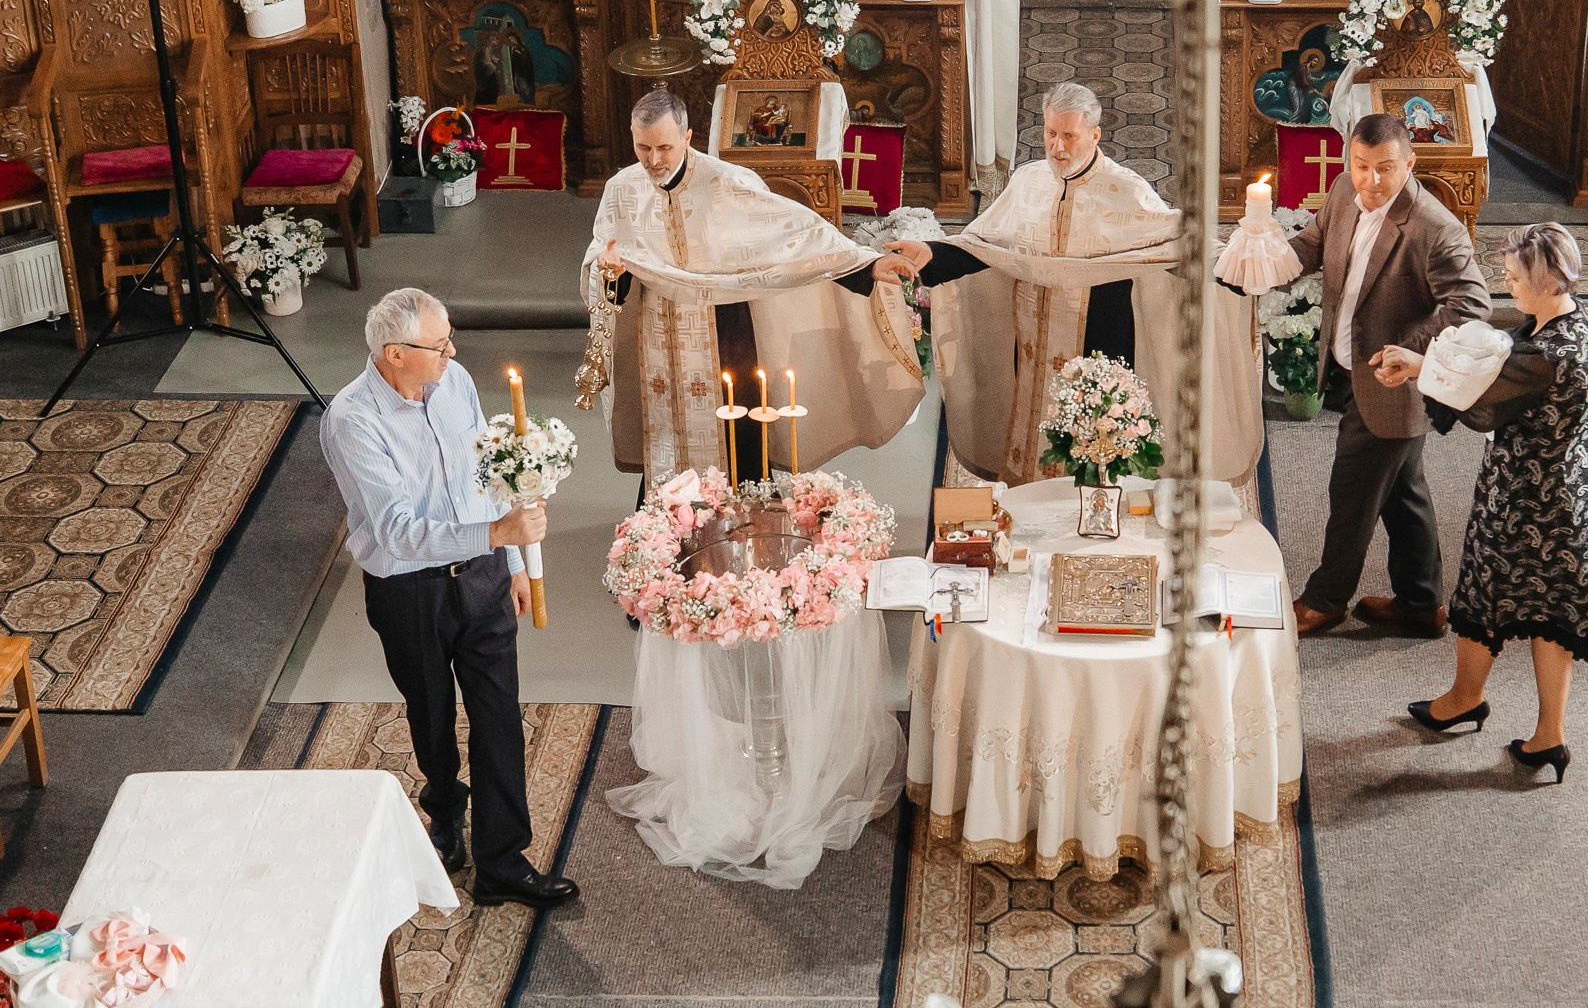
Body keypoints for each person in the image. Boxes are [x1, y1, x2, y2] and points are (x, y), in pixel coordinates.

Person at [319, 289, 577, 909]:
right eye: (439, 345)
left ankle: (503, 863)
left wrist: (510, 559)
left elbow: (484, 476)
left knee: (499, 716)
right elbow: (397, 532)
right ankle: (443, 805)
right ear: (394, 353)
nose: (453, 352)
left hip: (485, 576)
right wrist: (499, 534)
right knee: (431, 713)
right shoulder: (353, 421)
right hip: (411, 591)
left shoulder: (454, 381)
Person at [885, 82, 1264, 487]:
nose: (1058, 147)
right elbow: (986, 245)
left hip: (1100, 340)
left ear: (1095, 134)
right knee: (1031, 431)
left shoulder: (1126, 190)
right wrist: (931, 252)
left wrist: (1235, 267)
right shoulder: (1029, 182)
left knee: (1097, 443)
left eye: (1070, 136)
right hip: (1032, 342)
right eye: (1050, 134)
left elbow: (1175, 245)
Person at [1377, 224, 1588, 783]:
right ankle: (1544, 734)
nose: (1506, 285)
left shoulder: (1548, 357)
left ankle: (1467, 701)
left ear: (1544, 280)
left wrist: (1418, 365)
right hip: (1576, 490)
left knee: (1487, 590)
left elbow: (1483, 395)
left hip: (1533, 499)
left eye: (1515, 278)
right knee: (1549, 613)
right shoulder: (1576, 319)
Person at [583, 90, 922, 483]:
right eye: (643, 148)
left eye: (664, 147)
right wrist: (610, 271)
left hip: (724, 328)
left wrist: (867, 263)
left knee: (736, 427)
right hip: (658, 330)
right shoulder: (622, 189)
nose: (654, 160)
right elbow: (602, 262)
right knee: (665, 421)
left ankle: (744, 506)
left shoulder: (727, 182)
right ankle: (667, 510)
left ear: (688, 137)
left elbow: (796, 235)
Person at [1279, 113, 1489, 637]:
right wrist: (1263, 262)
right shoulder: (1343, 190)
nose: (1371, 181)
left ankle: (1326, 598)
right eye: (1362, 166)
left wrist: (1410, 349)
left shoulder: (1435, 228)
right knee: (1402, 491)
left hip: (1394, 381)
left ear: (1410, 162)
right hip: (1349, 369)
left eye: (1386, 169)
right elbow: (1313, 242)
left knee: (1351, 492)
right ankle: (1420, 604)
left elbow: (1473, 305)